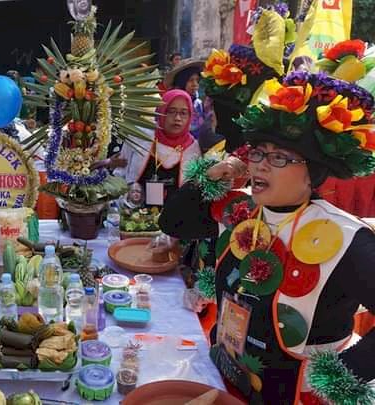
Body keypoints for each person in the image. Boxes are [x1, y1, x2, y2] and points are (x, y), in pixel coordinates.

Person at [159, 71, 375, 405]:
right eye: (258, 153)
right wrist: (212, 174)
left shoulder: (348, 238)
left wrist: (338, 379)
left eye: (278, 158)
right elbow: (174, 221)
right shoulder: (239, 209)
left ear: (313, 173)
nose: (260, 166)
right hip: (223, 375)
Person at [112, 89, 201, 207]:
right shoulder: (140, 135)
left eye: (183, 113)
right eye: (171, 111)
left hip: (173, 219)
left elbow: (193, 192)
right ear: (161, 111)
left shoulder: (193, 148)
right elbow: (119, 172)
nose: (177, 118)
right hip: (133, 215)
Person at [164, 59, 219, 151]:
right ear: (181, 81)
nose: (195, 84)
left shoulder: (198, 104)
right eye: (190, 80)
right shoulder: (170, 101)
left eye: (197, 80)